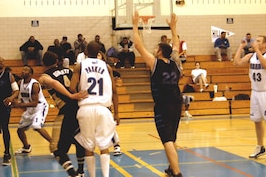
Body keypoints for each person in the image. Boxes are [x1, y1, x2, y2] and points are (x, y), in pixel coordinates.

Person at [132, 11, 183, 177]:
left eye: (156, 48)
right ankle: (171, 167)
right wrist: (173, 28)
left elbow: (138, 46)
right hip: (177, 102)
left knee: (167, 139)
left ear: (160, 52)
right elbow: (175, 44)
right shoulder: (175, 62)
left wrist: (134, 25)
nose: (154, 49)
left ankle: (176, 173)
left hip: (163, 105)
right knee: (172, 138)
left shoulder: (155, 63)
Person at [70, 41, 120, 177]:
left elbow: (72, 88)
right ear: (99, 52)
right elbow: (115, 91)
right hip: (103, 109)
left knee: (88, 146)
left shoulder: (80, 66)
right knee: (104, 146)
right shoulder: (107, 67)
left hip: (86, 108)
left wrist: (79, 94)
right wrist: (117, 114)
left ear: (86, 52)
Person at [233, 35, 266, 163]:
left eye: (258, 41)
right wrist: (240, 47)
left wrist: (257, 51)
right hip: (255, 92)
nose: (255, 42)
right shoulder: (251, 56)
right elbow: (236, 63)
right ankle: (260, 146)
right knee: (257, 120)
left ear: (264, 44)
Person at [39, 51, 88, 177]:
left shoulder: (44, 76)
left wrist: (71, 96)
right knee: (78, 140)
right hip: (80, 108)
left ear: (43, 63)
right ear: (56, 62)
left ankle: (73, 174)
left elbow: (55, 83)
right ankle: (81, 171)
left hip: (66, 111)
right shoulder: (69, 70)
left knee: (56, 148)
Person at [13, 66, 52, 155]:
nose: (23, 71)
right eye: (23, 69)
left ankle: (55, 146)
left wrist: (20, 105)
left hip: (40, 107)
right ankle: (26, 147)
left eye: (26, 70)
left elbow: (35, 103)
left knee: (37, 126)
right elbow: (22, 98)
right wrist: (15, 102)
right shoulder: (20, 83)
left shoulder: (34, 85)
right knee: (20, 130)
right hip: (30, 109)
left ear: (30, 74)